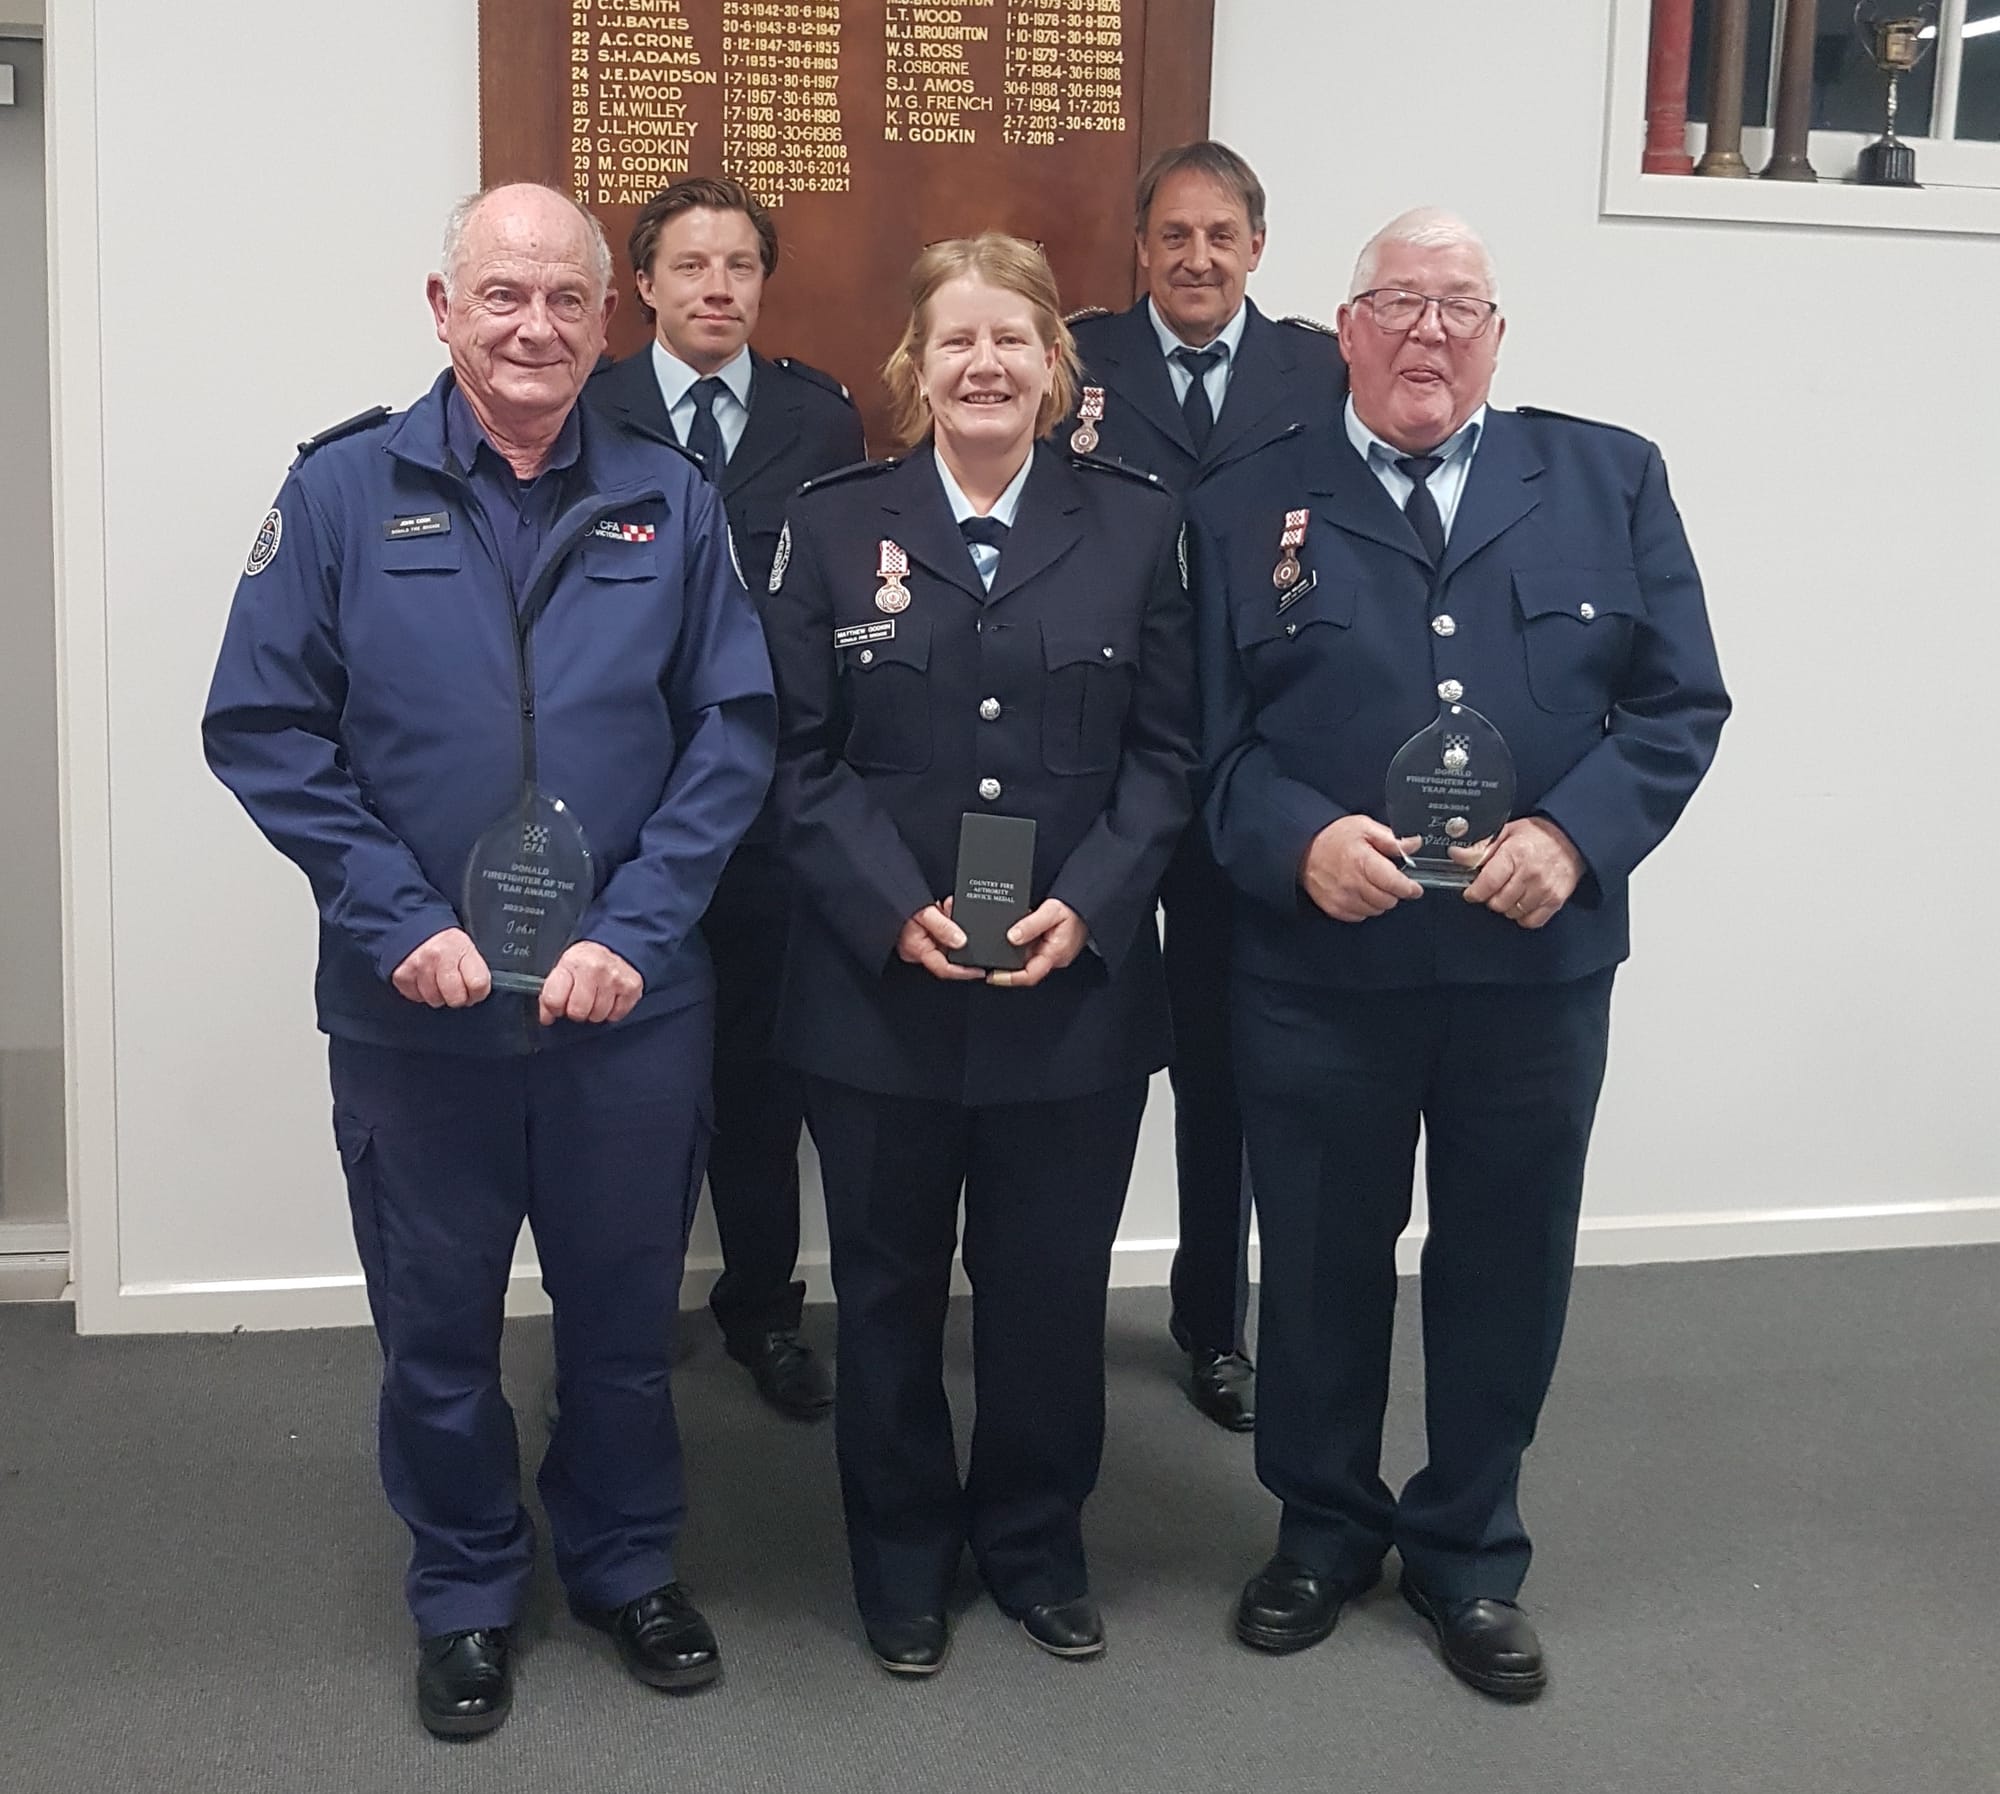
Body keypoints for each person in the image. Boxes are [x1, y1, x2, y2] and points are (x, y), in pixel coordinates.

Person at [202, 183, 776, 1738]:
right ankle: (463, 1582)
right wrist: (401, 920)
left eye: (565, 301)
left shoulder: (673, 500)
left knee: (623, 1322)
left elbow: (733, 735)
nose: (534, 327)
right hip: (417, 1012)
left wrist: (634, 935)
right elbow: (263, 728)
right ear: (442, 307)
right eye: (502, 295)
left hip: (624, 1012)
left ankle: (621, 1556)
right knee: (438, 1329)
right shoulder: (337, 492)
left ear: (608, 320)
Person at [1190, 208, 1728, 1700]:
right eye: (1398, 303)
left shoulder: (1607, 476)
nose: (1429, 332)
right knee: (1312, 1259)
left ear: (1500, 334)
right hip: (1320, 967)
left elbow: (1680, 705)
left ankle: (1469, 1549)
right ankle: (1320, 1528)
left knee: (1507, 1263)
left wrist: (1578, 834)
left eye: (1460, 306)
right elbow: (1200, 745)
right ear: (1343, 328)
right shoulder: (1245, 498)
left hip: (1530, 969)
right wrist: (1295, 836)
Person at [764, 234, 1195, 1675]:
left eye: (1014, 338)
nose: (987, 364)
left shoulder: (1139, 524)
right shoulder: (832, 526)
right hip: (879, 993)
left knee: (1050, 1286)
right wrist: (892, 904)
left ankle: (1033, 1537)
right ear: (916, 366)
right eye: (957, 340)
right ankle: (900, 1552)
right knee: (884, 1288)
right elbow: (793, 759)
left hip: (1071, 991)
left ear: (1053, 363)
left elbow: (1169, 751)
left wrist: (1100, 897)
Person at [1056, 141, 1348, 1433]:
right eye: (1174, 235)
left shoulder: (1316, 369)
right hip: (1111, 757)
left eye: (1221, 235)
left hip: (1250, 759)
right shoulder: (1079, 359)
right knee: (1086, 1046)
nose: (1196, 258)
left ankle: (1212, 1321)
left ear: (1258, 247)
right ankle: (1050, 1295)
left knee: (1235, 1058)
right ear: (1140, 249)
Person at [588, 176, 865, 1420]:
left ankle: (761, 1306)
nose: (715, 288)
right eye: (689, 265)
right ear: (640, 285)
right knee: (617, 1085)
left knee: (762, 1077)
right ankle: (613, 1320)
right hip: (621, 813)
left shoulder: (818, 421)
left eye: (739, 266)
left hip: (762, 814)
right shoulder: (585, 412)